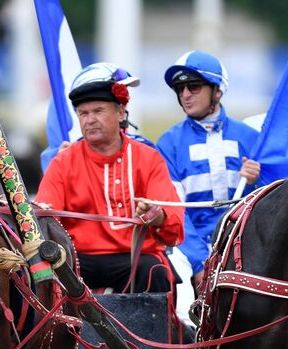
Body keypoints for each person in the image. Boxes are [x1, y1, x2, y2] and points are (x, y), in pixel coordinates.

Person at [36, 63, 184, 293]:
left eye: (98, 111)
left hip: (135, 257)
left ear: (121, 112)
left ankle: (155, 330)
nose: (90, 120)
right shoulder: (63, 162)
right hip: (78, 258)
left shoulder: (148, 158)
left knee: (155, 270)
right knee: (42, 271)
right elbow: (45, 218)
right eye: (83, 114)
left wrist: (156, 215)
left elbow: (172, 224)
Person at [156, 51, 262, 319]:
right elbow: (176, 211)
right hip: (188, 248)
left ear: (217, 91)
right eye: (180, 89)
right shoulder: (168, 143)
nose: (185, 94)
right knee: (182, 305)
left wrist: (256, 180)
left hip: (242, 241)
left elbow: (271, 201)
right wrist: (200, 262)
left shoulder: (250, 137)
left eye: (194, 86)